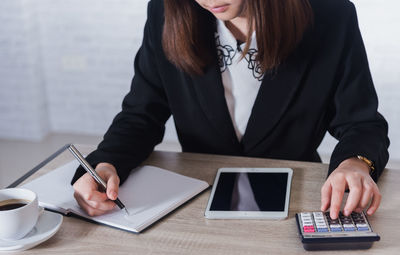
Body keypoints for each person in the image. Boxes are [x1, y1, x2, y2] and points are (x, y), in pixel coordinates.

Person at [71, 0, 389, 220]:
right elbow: (141, 114)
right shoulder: (166, 11)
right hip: (197, 202)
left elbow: (362, 123)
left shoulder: (330, 16)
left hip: (296, 198)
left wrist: (355, 164)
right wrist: (104, 163)